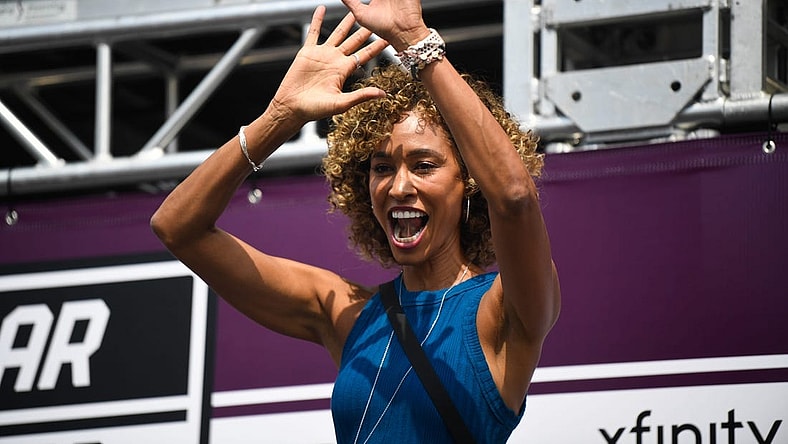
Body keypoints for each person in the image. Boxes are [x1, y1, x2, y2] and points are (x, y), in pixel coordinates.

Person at [150, 0, 560, 442]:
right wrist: (279, 117)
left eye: (423, 166)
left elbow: (515, 197)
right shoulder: (347, 314)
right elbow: (177, 227)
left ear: (471, 185)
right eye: (382, 168)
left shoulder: (502, 312)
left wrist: (417, 43)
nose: (398, 186)